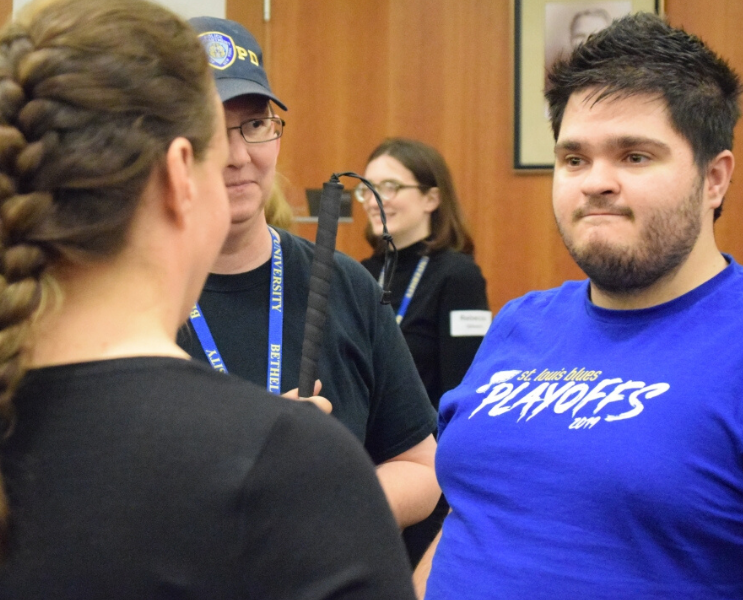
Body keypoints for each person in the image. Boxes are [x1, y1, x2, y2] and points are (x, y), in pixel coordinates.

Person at [0, 0, 419, 597]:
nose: (241, 157)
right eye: (217, 140)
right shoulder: (295, 462)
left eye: (255, 126)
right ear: (179, 174)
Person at [419, 13, 743, 600]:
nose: (596, 181)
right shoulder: (519, 323)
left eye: (635, 156)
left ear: (714, 179)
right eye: (574, 159)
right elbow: (471, 515)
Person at [179, 16, 440, 532]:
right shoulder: (130, 297)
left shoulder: (344, 284)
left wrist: (326, 502)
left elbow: (422, 469)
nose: (238, 157)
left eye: (254, 125)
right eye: (207, 128)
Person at [358, 139, 490, 565]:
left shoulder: (458, 275)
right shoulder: (357, 275)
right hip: (365, 470)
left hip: (431, 478)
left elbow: (464, 390)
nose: (376, 200)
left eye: (391, 186)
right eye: (367, 188)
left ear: (432, 198)